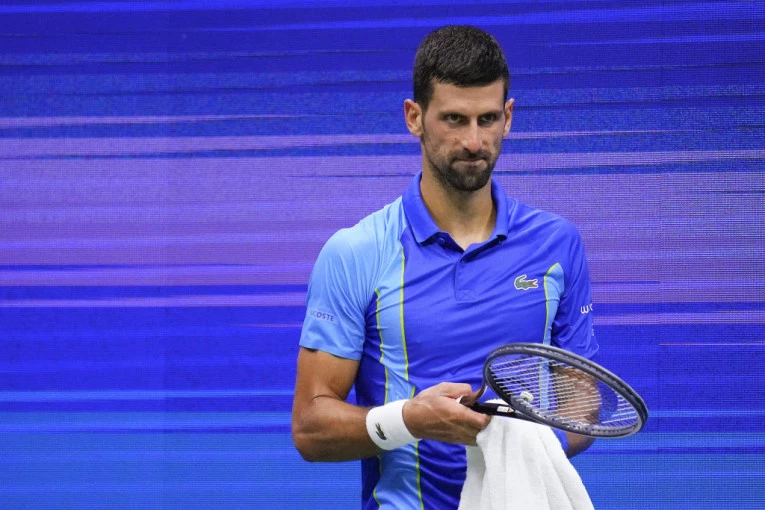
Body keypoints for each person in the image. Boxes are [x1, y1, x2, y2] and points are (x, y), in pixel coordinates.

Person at [292, 25, 599, 509]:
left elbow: (583, 400)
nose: (474, 142)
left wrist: (520, 446)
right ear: (414, 117)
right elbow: (311, 428)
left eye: (487, 119)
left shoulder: (558, 244)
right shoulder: (354, 253)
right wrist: (410, 420)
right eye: (454, 119)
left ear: (508, 117)